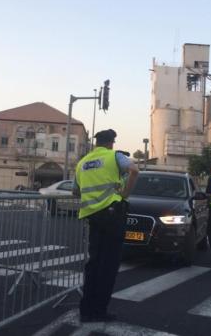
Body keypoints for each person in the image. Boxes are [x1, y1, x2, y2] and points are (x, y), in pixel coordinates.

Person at [73, 129, 139, 322]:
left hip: (93, 217)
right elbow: (134, 171)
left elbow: (76, 192)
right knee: (108, 266)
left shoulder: (82, 163)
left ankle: (86, 311)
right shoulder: (114, 156)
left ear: (96, 143)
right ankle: (100, 311)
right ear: (111, 143)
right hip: (112, 215)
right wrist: (124, 193)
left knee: (93, 264)